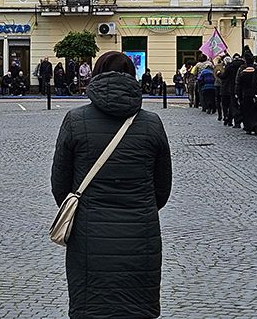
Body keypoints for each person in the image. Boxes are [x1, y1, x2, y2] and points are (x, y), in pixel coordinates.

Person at [51, 51, 171, 318]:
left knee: (91, 309)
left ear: (96, 75)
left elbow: (60, 185)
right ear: (133, 77)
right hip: (141, 236)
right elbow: (162, 190)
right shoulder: (152, 124)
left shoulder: (75, 120)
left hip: (88, 235)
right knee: (136, 309)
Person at [237, 58, 257, 135]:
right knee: (255, 111)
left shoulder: (242, 73)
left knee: (246, 112)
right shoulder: (256, 72)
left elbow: (239, 86)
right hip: (255, 94)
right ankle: (256, 125)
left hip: (246, 94)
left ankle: (248, 127)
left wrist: (239, 95)